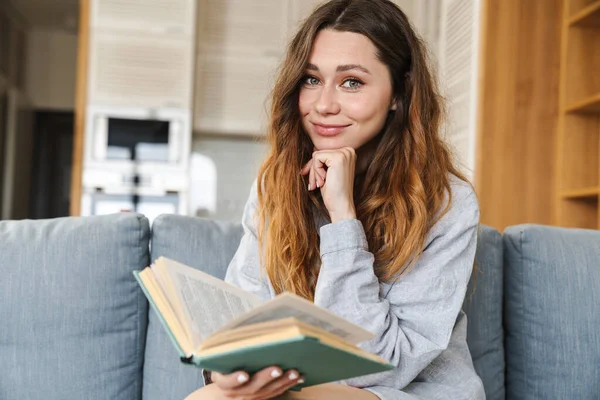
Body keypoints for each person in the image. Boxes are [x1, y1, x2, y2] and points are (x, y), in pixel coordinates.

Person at [186, 0, 485, 399]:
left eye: (352, 82)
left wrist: (343, 219)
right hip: (303, 386)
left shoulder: (447, 203)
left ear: (399, 93)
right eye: (311, 80)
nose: (324, 105)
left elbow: (378, 365)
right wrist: (226, 371)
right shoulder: (274, 186)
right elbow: (242, 322)